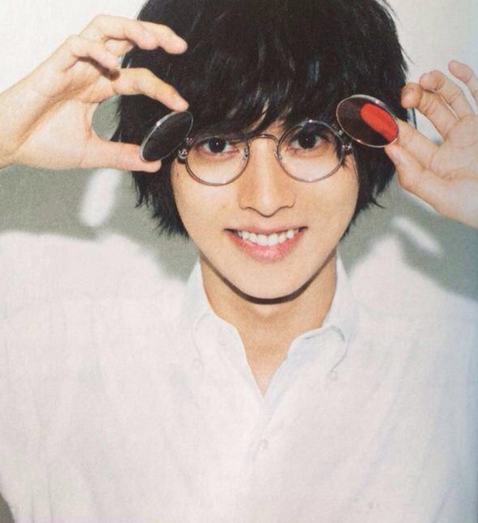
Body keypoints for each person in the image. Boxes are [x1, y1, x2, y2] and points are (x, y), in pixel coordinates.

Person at [0, 1, 477, 522]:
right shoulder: (48, 365)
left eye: (308, 139)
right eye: (218, 144)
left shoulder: (457, 378)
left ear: (369, 148)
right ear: (161, 157)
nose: (266, 198)